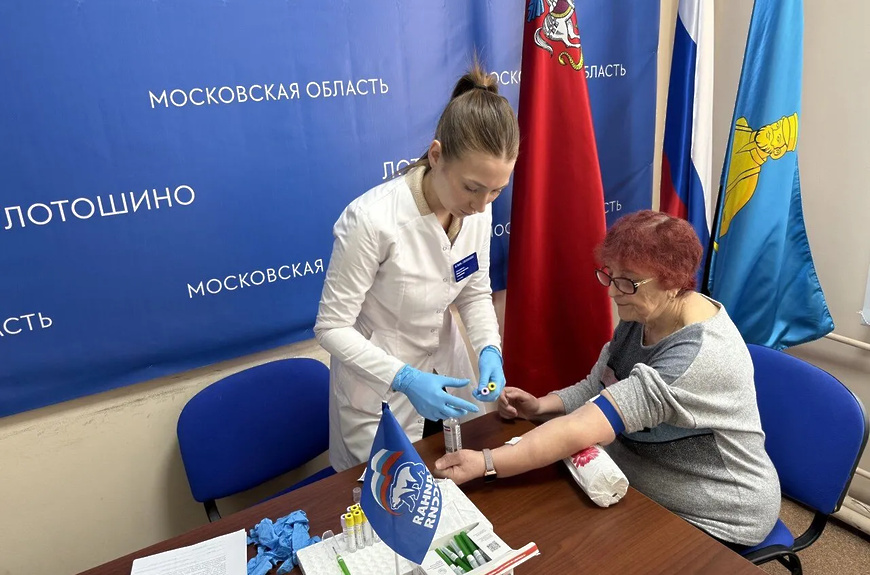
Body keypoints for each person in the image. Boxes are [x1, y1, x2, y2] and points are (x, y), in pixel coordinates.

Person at [435, 210, 781, 548]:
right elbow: (598, 387)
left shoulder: (694, 359)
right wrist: (541, 407)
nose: (612, 292)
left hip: (716, 513)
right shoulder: (645, 310)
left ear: (673, 281)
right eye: (610, 275)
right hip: (635, 479)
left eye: (627, 281)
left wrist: (485, 463)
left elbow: (583, 427)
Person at [314, 62, 519, 472]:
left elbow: (474, 291)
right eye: (472, 188)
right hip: (379, 391)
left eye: (497, 191)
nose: (482, 205)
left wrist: (488, 349)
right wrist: (404, 378)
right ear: (437, 155)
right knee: (392, 490)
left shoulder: (477, 210)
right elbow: (331, 328)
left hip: (447, 376)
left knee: (461, 479)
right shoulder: (372, 220)